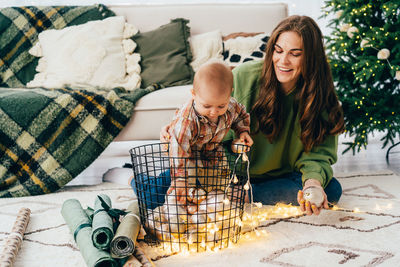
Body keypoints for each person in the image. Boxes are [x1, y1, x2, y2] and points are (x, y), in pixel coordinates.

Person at [161, 15, 345, 216]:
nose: (283, 61)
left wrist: (312, 184)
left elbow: (318, 156)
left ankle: (243, 195)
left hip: (281, 175)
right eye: (278, 50)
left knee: (330, 189)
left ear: (311, 57)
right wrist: (179, 130)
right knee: (160, 188)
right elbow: (206, 115)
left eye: (295, 54)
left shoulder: (321, 98)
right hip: (228, 172)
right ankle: (235, 194)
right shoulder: (245, 76)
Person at [166, 61, 253, 203]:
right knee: (186, 190)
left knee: (220, 188)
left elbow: (241, 115)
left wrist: (242, 132)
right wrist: (180, 178)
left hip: (214, 153)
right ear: (194, 94)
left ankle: (215, 206)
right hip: (188, 156)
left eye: (221, 106)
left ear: (229, 94)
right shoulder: (187, 120)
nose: (214, 112)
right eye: (206, 106)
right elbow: (179, 148)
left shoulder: (230, 105)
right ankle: (188, 206)